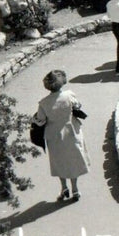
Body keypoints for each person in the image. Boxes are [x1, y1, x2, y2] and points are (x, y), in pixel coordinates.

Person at [33, 70, 90, 201]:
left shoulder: (43, 103)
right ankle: (75, 189)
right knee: (72, 161)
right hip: (71, 132)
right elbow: (77, 106)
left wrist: (34, 120)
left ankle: (64, 187)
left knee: (60, 162)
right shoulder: (69, 95)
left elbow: (40, 120)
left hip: (54, 136)